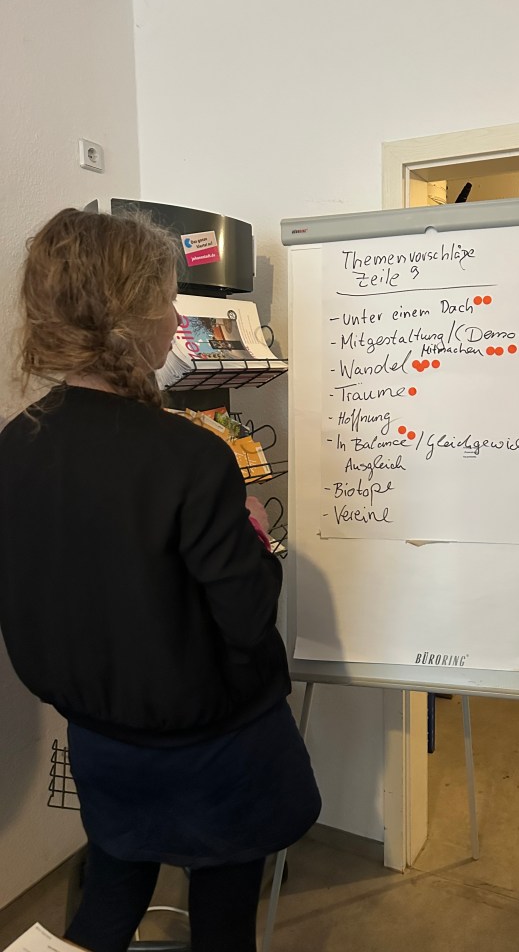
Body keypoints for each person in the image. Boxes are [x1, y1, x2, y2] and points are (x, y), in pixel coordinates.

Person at [0, 208, 321, 952]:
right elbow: (247, 618)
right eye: (167, 297)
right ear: (131, 314)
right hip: (214, 744)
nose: (176, 315)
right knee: (221, 917)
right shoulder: (189, 457)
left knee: (112, 893)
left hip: (99, 737)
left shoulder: (14, 447)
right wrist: (256, 537)